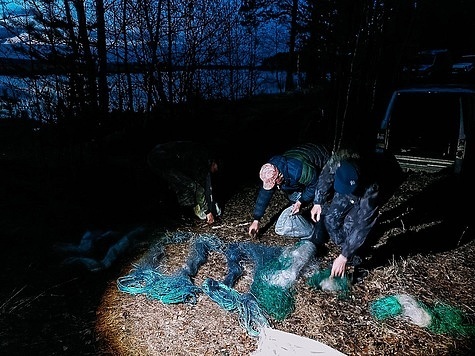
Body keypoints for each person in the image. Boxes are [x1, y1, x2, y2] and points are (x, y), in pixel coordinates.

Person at [308, 149, 403, 280]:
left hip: (379, 182)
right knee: (331, 219)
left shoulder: (373, 187)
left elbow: (363, 224)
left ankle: (355, 258)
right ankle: (350, 253)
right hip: (349, 183)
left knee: (350, 225)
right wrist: (318, 202)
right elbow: (325, 176)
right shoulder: (338, 161)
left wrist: (344, 256)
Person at [248, 143, 331, 237]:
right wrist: (256, 220)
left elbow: (315, 184)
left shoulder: (298, 171)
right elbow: (264, 195)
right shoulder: (271, 170)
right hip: (300, 157)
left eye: (275, 184)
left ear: (279, 176)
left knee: (320, 194)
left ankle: (321, 225)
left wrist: (301, 201)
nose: (273, 186)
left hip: (320, 157)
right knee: (294, 199)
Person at [147, 141, 222, 224]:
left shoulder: (204, 155)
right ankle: (184, 215)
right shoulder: (201, 161)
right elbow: (199, 189)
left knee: (183, 184)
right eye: (216, 168)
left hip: (164, 156)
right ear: (214, 162)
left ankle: (180, 212)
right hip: (160, 158)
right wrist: (208, 212)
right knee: (188, 185)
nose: (215, 171)